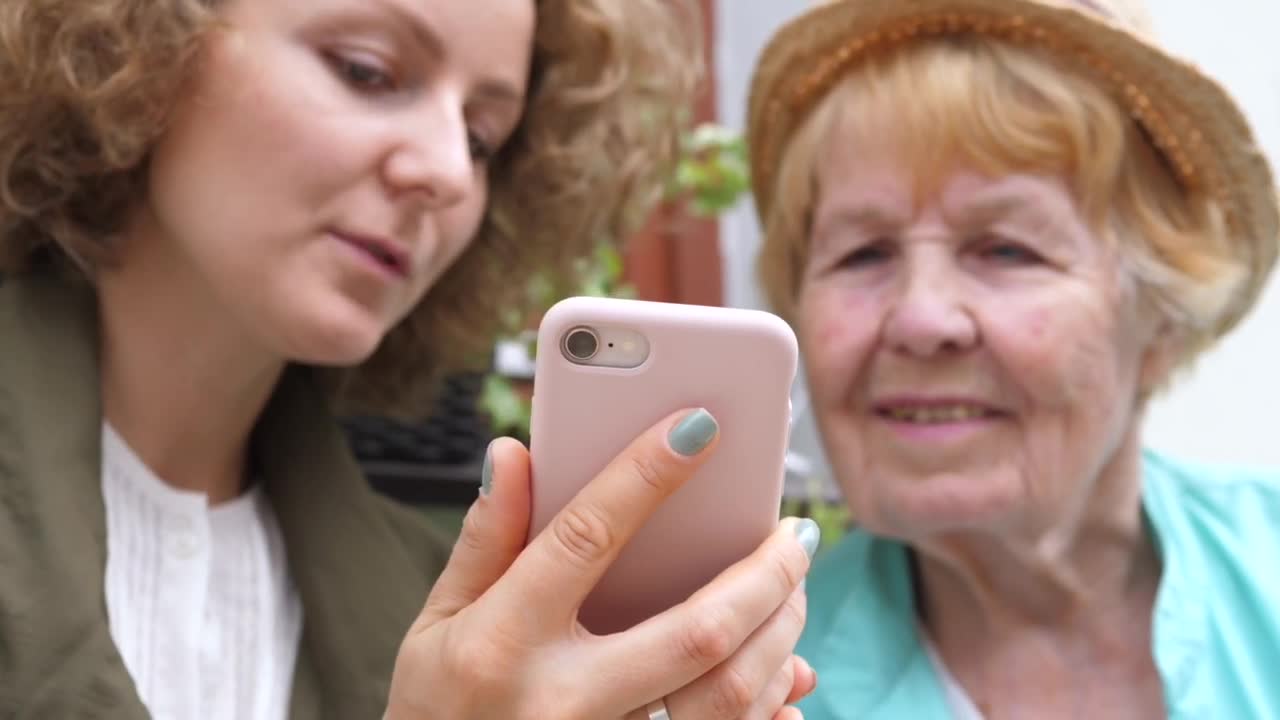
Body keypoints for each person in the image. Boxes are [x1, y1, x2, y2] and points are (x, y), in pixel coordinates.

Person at [0, 1, 822, 719]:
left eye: (482, 137)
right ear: (140, 46)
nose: (447, 172)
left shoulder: (447, 621)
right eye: (367, 71)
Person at [745, 0, 1280, 717]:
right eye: (862, 252)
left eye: (1005, 248)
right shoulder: (753, 683)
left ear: (1161, 324)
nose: (921, 318)